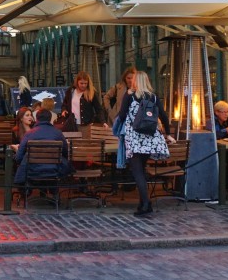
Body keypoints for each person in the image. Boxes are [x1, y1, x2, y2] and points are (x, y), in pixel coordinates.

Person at [116, 72, 173, 217]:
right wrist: (168, 133)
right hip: (149, 137)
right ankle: (143, 203)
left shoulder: (129, 96)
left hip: (134, 137)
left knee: (137, 172)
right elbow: (164, 116)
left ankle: (146, 203)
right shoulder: (153, 97)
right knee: (141, 169)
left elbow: (122, 115)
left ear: (135, 81)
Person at [13, 108, 73, 185]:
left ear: (37, 118)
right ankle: (53, 193)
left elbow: (18, 157)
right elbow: (65, 152)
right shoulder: (57, 133)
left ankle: (26, 193)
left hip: (33, 170)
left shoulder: (29, 134)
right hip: (54, 170)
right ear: (50, 118)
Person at [61, 71, 105, 136]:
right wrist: (64, 110)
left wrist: (103, 121)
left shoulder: (91, 93)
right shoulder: (70, 91)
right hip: (72, 124)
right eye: (81, 83)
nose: (83, 85)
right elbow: (65, 104)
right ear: (77, 82)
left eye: (85, 83)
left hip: (86, 125)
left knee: (85, 144)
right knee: (73, 144)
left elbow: (98, 108)